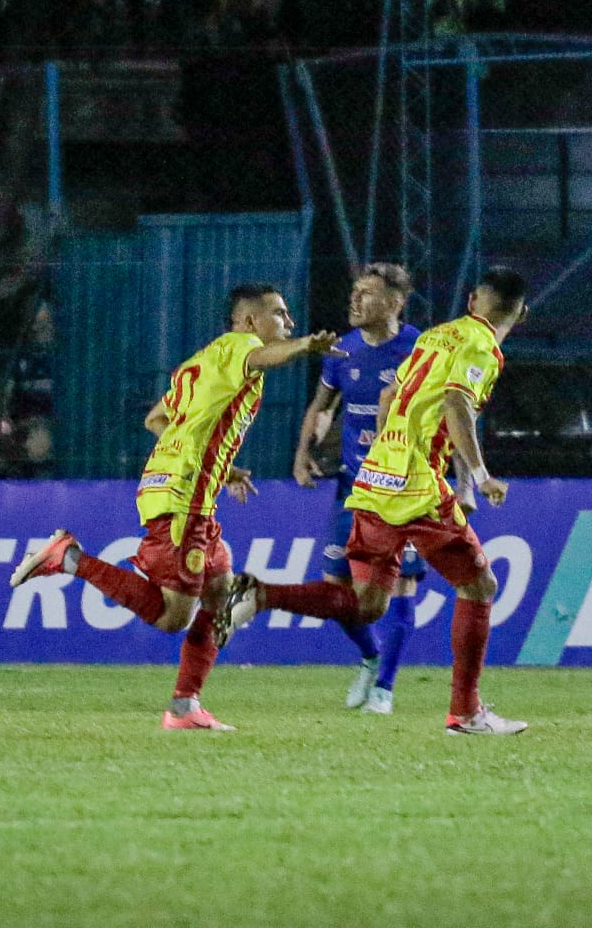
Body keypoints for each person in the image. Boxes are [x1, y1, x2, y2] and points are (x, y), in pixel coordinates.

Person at [10, 284, 342, 730]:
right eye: (280, 315)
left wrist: (220, 466)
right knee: (171, 617)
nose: (289, 322)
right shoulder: (239, 348)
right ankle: (69, 558)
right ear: (248, 322)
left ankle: (185, 706)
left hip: (183, 491)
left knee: (220, 593)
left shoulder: (201, 362)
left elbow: (158, 420)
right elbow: (264, 356)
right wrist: (304, 347)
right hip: (183, 498)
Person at [224, 267, 530, 735]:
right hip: (417, 487)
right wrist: (480, 477)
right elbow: (456, 404)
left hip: (373, 477)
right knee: (480, 586)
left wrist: (389, 447)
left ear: (472, 300)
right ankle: (465, 714)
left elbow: (390, 395)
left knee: (367, 604)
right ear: (520, 313)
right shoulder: (483, 347)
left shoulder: (437, 337)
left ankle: (261, 593)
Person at [292, 263, 475, 714]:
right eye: (355, 291)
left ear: (395, 303)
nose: (355, 300)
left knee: (399, 589)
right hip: (354, 487)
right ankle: (371, 658)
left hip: (407, 489)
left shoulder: (420, 349)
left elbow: (453, 413)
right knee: (337, 588)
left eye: (368, 293)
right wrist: (304, 450)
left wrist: (467, 480)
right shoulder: (343, 349)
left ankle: (385, 689)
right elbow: (322, 406)